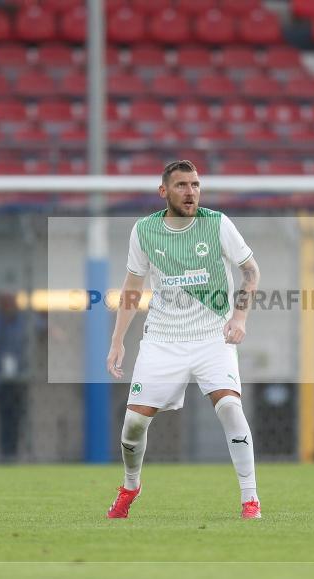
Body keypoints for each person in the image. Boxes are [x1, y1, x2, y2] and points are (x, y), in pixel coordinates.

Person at [105, 159, 262, 519]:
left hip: (212, 337)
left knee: (231, 410)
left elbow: (250, 271)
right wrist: (118, 340)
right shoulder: (144, 231)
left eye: (195, 185)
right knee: (133, 425)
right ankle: (130, 486)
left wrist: (239, 316)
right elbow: (132, 287)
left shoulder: (218, 224)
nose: (190, 192)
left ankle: (250, 500)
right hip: (162, 339)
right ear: (164, 191)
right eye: (181, 185)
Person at [0, 292, 29, 462]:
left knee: (17, 416)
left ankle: (15, 453)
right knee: (3, 417)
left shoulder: (23, 321)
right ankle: (5, 454)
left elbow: (39, 327)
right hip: (0, 377)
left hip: (18, 377)